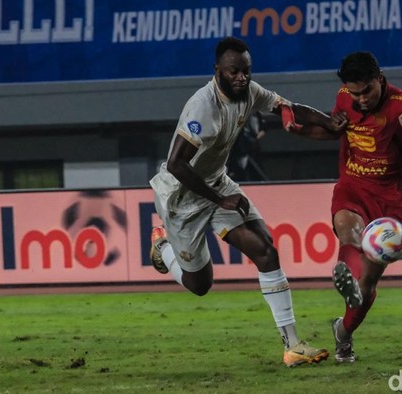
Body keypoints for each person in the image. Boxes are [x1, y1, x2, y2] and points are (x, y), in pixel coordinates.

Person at [148, 37, 347, 367]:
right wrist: (219, 199)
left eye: (246, 71)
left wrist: (328, 121)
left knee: (265, 249)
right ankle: (163, 249)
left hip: (216, 184)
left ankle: (293, 345)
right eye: (234, 72)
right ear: (217, 71)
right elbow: (176, 164)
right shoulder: (202, 107)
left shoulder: (250, 91)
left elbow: (288, 108)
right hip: (182, 198)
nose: (242, 78)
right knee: (200, 284)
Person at [287, 51, 402, 363]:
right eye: (355, 93)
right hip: (352, 185)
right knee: (347, 231)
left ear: (380, 79)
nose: (361, 99)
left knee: (368, 284)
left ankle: (344, 333)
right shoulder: (344, 98)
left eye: (367, 90)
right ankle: (346, 276)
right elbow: (334, 131)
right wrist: (298, 130)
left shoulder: (400, 102)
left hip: (388, 199)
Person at [227, 111, 269, 181]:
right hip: (239, 148)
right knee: (238, 169)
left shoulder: (256, 113)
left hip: (253, 147)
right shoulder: (237, 113)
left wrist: (256, 138)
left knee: (255, 169)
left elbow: (263, 128)